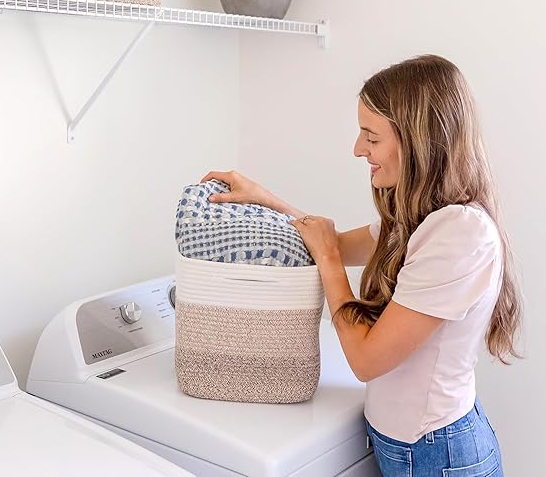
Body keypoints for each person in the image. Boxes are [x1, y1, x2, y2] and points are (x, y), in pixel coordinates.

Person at [201, 54, 522, 477]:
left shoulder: (459, 234)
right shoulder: (426, 218)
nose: (358, 149)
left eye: (371, 137)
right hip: (420, 446)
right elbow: (331, 242)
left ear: (419, 141)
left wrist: (329, 260)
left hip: (438, 455)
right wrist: (265, 199)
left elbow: (365, 359)